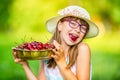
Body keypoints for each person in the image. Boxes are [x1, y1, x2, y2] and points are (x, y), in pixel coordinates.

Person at [12, 5, 99, 80]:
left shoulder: (82, 49)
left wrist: (61, 62)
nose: (77, 29)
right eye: (72, 23)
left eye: (83, 28)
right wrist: (25, 65)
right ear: (60, 25)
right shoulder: (47, 51)